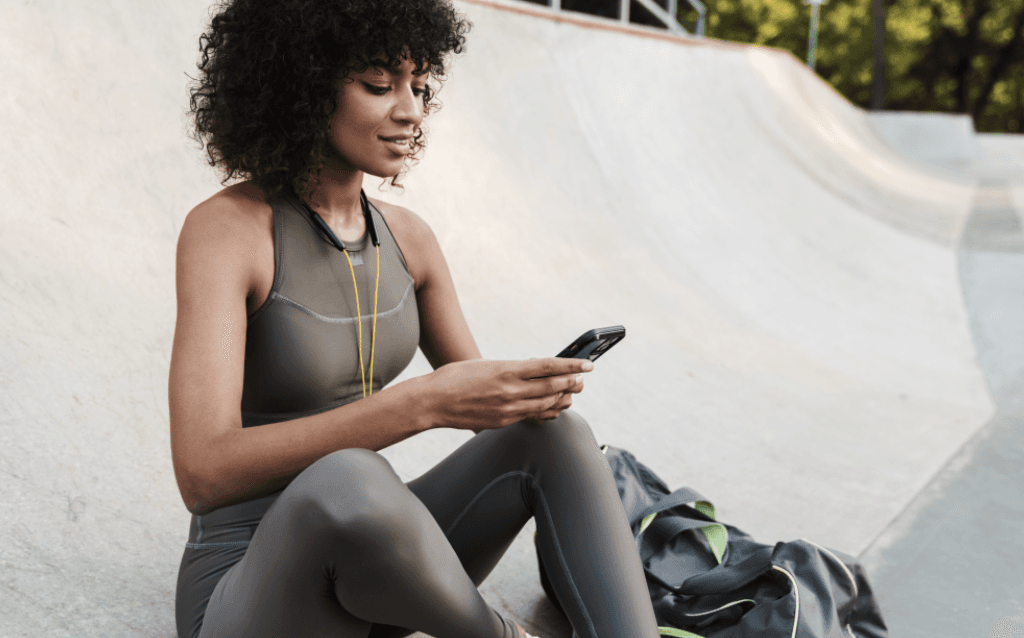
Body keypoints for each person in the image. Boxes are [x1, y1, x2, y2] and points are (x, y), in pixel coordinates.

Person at [169, 2, 661, 638]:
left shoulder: (411, 240)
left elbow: (485, 410)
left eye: (420, 86)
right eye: (379, 85)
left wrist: (528, 391)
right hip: (253, 595)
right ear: (301, 82)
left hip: (383, 566)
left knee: (555, 435)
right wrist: (421, 404)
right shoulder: (228, 231)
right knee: (350, 472)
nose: (411, 110)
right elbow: (203, 474)